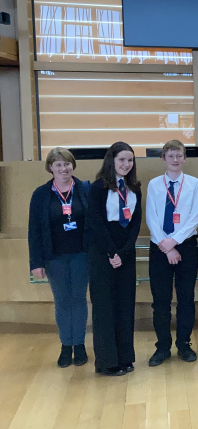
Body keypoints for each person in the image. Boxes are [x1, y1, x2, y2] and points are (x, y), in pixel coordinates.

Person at [28, 148, 91, 368]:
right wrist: (35, 263)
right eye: (58, 165)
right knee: (63, 301)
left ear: (73, 165)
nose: (63, 169)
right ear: (50, 168)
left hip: (82, 255)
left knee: (79, 299)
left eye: (67, 164)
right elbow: (34, 230)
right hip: (54, 257)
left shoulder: (85, 189)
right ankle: (66, 345)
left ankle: (80, 345)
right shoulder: (41, 194)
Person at [145, 140, 198, 366]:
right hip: (159, 248)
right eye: (170, 156)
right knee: (161, 300)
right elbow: (151, 217)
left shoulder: (194, 184)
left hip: (186, 246)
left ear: (185, 158)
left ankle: (184, 344)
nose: (175, 160)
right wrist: (166, 245)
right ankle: (162, 346)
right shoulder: (154, 185)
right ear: (163, 159)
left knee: (186, 298)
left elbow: (195, 216)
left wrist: (175, 242)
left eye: (179, 156)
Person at [86, 142, 142, 376]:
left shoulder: (135, 188)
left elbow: (136, 222)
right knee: (105, 309)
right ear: (112, 161)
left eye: (130, 160)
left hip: (126, 254)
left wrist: (125, 251)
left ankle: (125, 357)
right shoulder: (98, 188)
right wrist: (112, 253)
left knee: (125, 307)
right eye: (121, 160)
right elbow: (95, 223)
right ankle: (107, 362)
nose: (126, 164)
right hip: (103, 254)